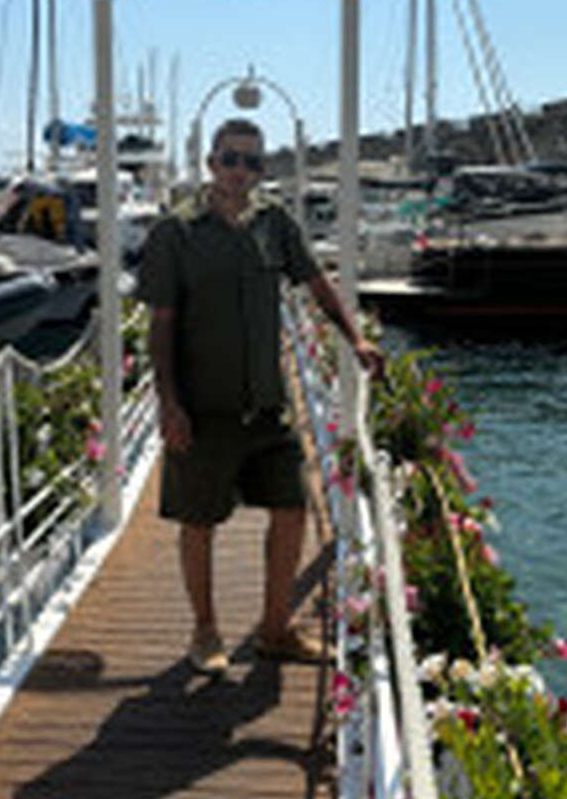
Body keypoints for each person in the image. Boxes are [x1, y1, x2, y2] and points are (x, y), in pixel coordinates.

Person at [136, 117, 383, 675]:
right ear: (211, 164)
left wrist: (356, 339)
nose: (240, 171)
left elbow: (316, 283)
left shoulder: (275, 223)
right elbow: (161, 324)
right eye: (230, 159)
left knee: (292, 509)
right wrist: (168, 403)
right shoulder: (177, 231)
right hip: (203, 407)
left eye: (251, 161)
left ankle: (275, 630)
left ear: (262, 169)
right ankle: (205, 631)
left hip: (268, 404)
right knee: (199, 520)